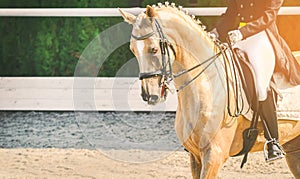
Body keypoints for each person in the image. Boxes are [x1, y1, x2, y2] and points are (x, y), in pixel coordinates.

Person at [209, 0, 300, 162]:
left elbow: (269, 17)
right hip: (239, 37)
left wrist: (243, 32)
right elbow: (230, 15)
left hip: (262, 36)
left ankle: (273, 141)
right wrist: (216, 31)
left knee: (260, 85)